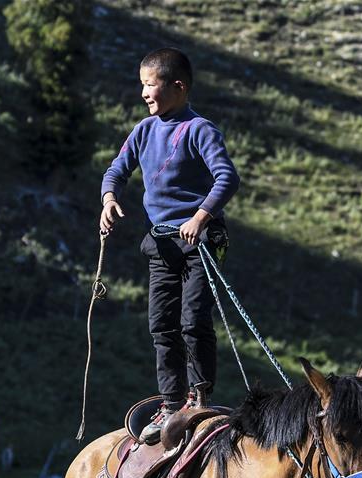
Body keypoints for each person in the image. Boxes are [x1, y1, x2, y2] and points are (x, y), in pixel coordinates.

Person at [99, 47, 240, 444]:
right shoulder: (144, 131)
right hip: (160, 245)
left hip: (200, 241)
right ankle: (170, 402)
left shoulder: (200, 130)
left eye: (150, 85)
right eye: (141, 85)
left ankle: (199, 397)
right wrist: (110, 199)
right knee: (161, 324)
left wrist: (200, 217)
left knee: (193, 319)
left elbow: (226, 178)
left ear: (178, 87)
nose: (144, 93)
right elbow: (117, 168)